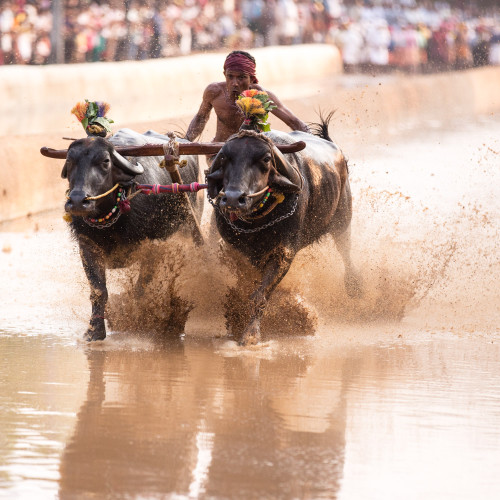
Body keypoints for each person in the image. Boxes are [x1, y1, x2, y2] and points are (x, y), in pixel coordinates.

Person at [184, 50, 309, 144]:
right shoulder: (214, 91)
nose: (235, 83)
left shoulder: (261, 96)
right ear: (224, 75)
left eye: (241, 77)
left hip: (253, 156)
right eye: (230, 76)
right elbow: (201, 118)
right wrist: (185, 141)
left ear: (251, 79)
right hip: (221, 151)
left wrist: (316, 141)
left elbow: (294, 121)